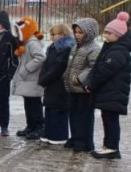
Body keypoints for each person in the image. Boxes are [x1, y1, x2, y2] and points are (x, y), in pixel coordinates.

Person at [88, 12, 131, 160]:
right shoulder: (112, 47)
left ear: (118, 35)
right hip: (109, 91)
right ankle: (108, 146)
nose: (105, 35)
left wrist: (92, 84)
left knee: (111, 120)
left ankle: (112, 147)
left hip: (114, 91)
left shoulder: (119, 51)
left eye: (109, 33)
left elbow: (105, 71)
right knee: (107, 118)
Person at [65, 18, 101, 153]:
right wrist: (66, 76)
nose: (77, 35)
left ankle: (84, 142)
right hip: (72, 88)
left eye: (80, 32)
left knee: (84, 116)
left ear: (89, 33)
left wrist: (80, 79)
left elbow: (93, 67)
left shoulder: (94, 49)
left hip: (83, 89)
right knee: (73, 114)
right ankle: (75, 137)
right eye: (76, 32)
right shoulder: (76, 47)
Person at [38, 24, 75, 145]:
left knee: (58, 108)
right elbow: (46, 64)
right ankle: (48, 132)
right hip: (50, 82)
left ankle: (59, 135)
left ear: (63, 34)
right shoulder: (52, 47)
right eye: (51, 34)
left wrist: (46, 77)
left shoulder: (66, 48)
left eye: (54, 34)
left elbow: (59, 66)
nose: (52, 37)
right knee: (49, 107)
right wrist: (43, 77)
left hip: (59, 83)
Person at [11, 17, 46, 140]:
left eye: (18, 30)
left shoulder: (32, 43)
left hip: (32, 79)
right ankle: (31, 126)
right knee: (28, 104)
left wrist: (26, 69)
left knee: (35, 104)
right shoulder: (26, 43)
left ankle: (38, 127)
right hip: (28, 80)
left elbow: (40, 58)